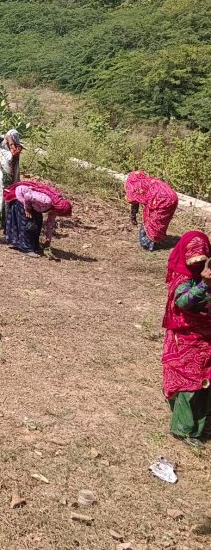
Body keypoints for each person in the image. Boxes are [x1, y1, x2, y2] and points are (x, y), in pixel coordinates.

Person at [161, 231, 211, 448]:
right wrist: (203, 285)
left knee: (204, 384)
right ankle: (184, 429)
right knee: (192, 384)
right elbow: (183, 302)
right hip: (187, 337)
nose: (198, 262)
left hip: (205, 337)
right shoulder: (185, 278)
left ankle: (198, 423)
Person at [3, 180, 73, 257]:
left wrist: (48, 239)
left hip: (33, 203)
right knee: (28, 224)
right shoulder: (46, 201)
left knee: (38, 222)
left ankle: (34, 246)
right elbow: (27, 196)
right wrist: (27, 208)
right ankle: (27, 248)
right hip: (21, 196)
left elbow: (50, 224)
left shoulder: (54, 209)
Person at [126, 170, 178, 251]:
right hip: (173, 198)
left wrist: (133, 216)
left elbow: (133, 201)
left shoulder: (134, 184)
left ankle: (147, 244)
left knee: (151, 222)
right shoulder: (150, 181)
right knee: (160, 221)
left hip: (160, 200)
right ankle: (157, 240)